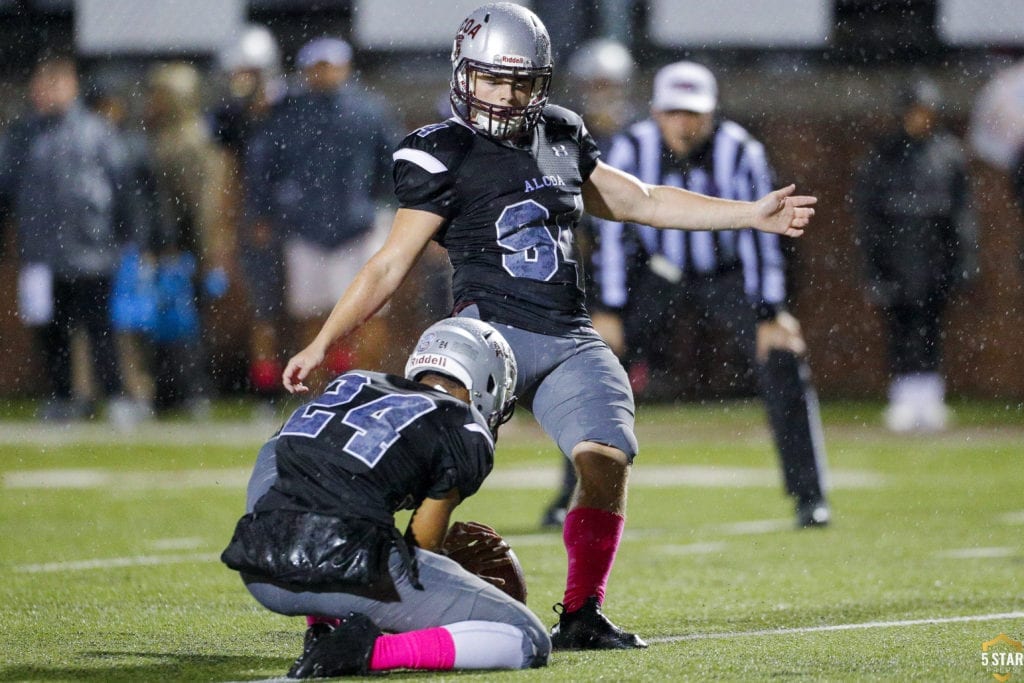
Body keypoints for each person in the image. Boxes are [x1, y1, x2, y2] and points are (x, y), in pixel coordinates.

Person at [283, 2, 816, 650]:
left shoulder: (560, 134)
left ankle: (582, 611)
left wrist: (748, 214)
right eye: (493, 79)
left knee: (606, 456)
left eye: (521, 82)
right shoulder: (440, 151)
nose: (507, 95)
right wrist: (323, 339)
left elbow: (640, 199)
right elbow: (390, 263)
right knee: (442, 464)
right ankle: (380, 604)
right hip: (485, 330)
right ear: (463, 74)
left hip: (566, 334)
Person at [223, 317, 550, 677]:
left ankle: (322, 627)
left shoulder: (353, 383)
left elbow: (288, 461)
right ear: (488, 382)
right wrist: (450, 576)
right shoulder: (465, 426)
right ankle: (370, 652)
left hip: (257, 564)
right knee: (528, 637)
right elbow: (421, 547)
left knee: (296, 468)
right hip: (342, 569)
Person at [591, 61, 831, 529]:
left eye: (694, 113)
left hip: (725, 274)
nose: (685, 123)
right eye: (675, 111)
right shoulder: (629, 147)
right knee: (594, 367)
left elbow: (762, 238)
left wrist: (770, 311)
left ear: (712, 114)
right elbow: (611, 235)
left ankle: (810, 495)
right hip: (655, 274)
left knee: (782, 358)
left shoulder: (741, 151)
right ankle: (575, 498)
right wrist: (609, 309)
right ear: (657, 112)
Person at [244, 36, 400, 386]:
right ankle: (318, 391)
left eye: (329, 66)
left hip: (358, 226)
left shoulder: (369, 110)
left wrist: (389, 208)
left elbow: (392, 164)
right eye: (317, 67)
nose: (324, 74)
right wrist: (266, 211)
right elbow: (265, 166)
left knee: (368, 311)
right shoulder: (289, 115)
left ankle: (366, 384)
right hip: (307, 228)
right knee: (310, 313)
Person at [0, 55, 142, 426]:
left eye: (55, 84)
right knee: (51, 331)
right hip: (42, 254)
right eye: (41, 85)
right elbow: (7, 191)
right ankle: (63, 397)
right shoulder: (22, 135)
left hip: (93, 250)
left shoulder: (96, 131)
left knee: (100, 330)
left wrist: (129, 236)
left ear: (71, 86)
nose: (46, 92)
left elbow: (122, 187)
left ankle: (114, 396)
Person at [539, 37, 638, 530]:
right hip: (587, 276)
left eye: (610, 85)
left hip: (643, 277)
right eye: (595, 85)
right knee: (583, 384)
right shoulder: (563, 136)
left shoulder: (641, 140)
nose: (602, 94)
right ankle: (572, 492)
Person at [853, 78, 977, 433]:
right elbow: (868, 216)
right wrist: (873, 267)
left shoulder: (949, 153)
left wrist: (964, 259)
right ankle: (904, 397)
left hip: (935, 254)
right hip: (896, 255)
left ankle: (929, 396)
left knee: (931, 327)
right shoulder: (884, 155)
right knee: (900, 326)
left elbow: (961, 213)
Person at [143, 62, 230, 418]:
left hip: (184, 246)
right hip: (164, 244)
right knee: (162, 322)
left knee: (186, 322)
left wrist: (205, 248)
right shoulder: (162, 136)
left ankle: (191, 390)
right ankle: (167, 391)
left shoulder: (191, 139)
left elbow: (203, 201)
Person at [212, 24, 288, 402]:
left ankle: (317, 384)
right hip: (256, 227)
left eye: (247, 73)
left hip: (300, 225)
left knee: (311, 310)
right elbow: (230, 177)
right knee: (263, 311)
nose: (239, 83)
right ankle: (267, 387)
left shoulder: (292, 111)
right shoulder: (233, 121)